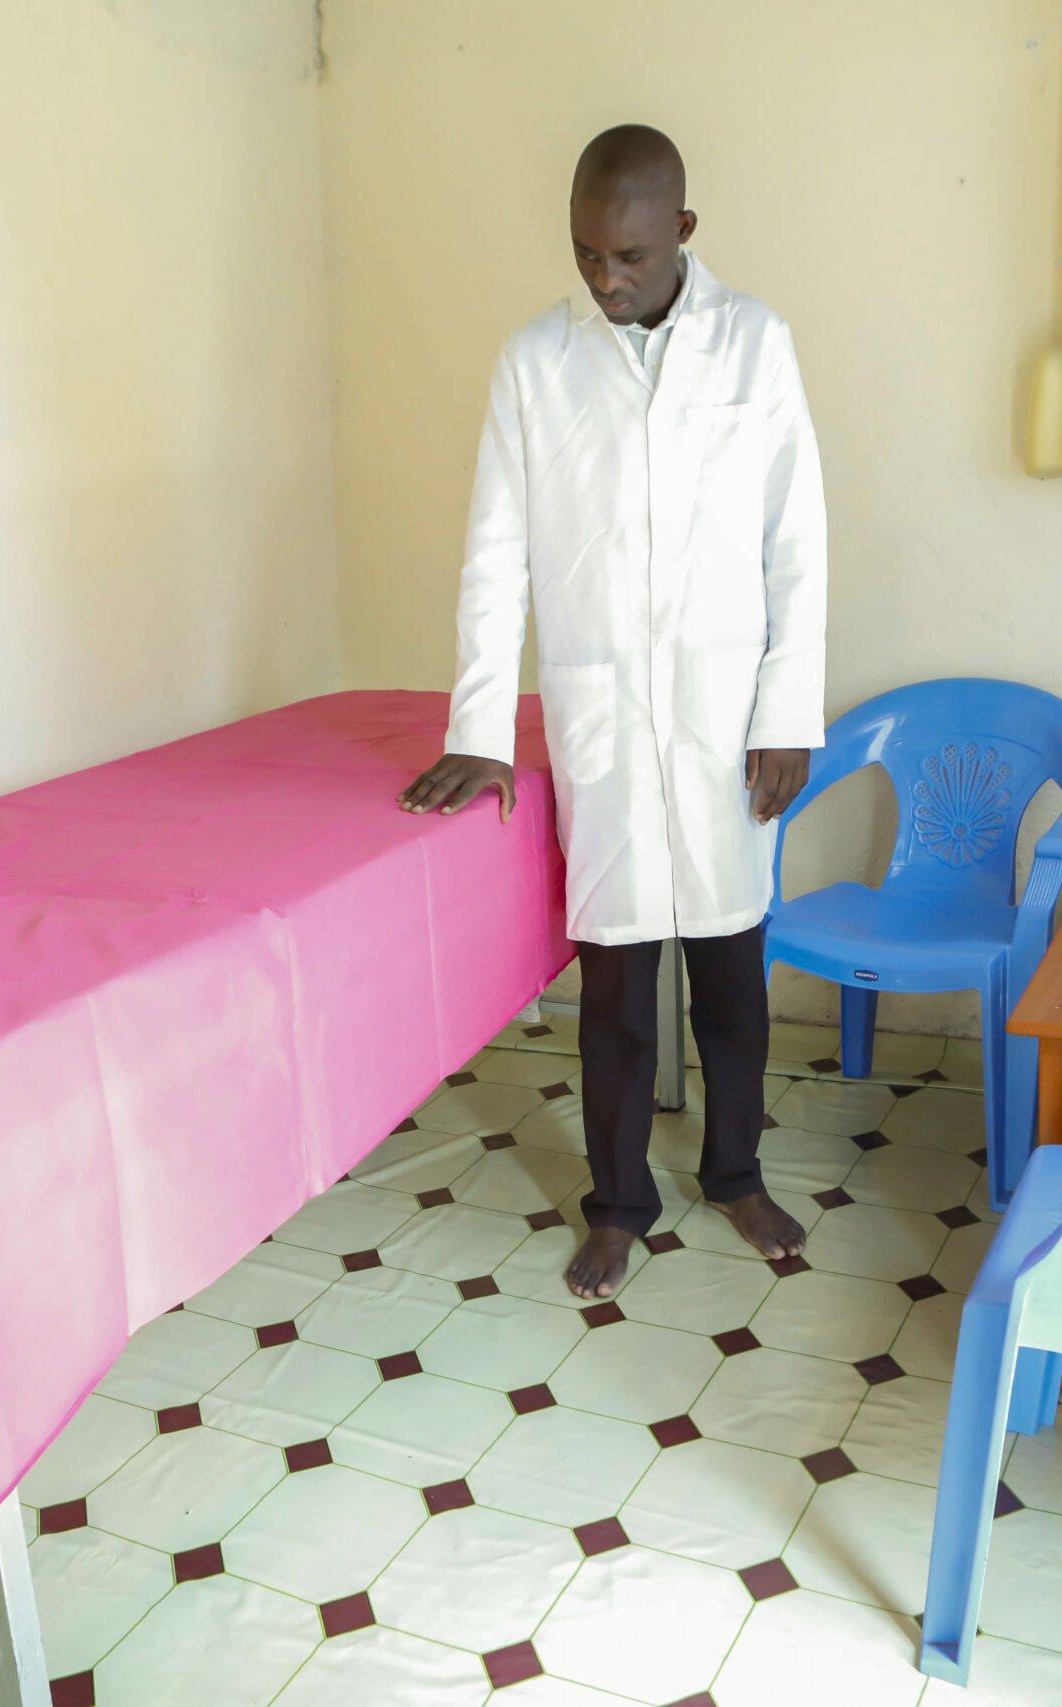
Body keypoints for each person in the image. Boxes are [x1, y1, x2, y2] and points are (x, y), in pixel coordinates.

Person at [399, 124, 827, 1300]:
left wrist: (788, 709)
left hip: (727, 712)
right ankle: (617, 1203)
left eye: (630, 254)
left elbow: (797, 541)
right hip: (603, 707)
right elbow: (496, 555)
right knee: (618, 984)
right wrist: (479, 728)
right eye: (586, 252)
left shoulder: (756, 345)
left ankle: (734, 1173)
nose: (605, 278)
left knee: (734, 970)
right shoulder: (534, 360)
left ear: (681, 232)